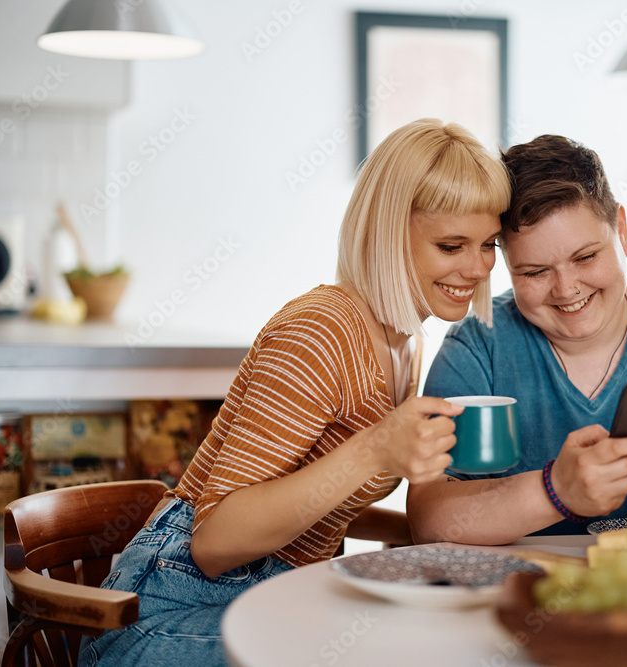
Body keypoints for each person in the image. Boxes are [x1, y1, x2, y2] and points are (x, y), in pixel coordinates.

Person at [80, 118, 511, 666]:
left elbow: (323, 504)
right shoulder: (322, 330)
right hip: (168, 610)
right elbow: (213, 543)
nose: (477, 267)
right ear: (385, 231)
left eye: (488, 244)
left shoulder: (405, 341)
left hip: (279, 595)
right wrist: (375, 449)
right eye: (452, 245)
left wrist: (446, 539)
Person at [407, 134, 627, 544]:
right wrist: (555, 491)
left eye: (585, 258)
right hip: (521, 595)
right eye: (534, 272)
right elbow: (429, 519)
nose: (566, 290)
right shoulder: (478, 349)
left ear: (622, 229)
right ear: (505, 264)